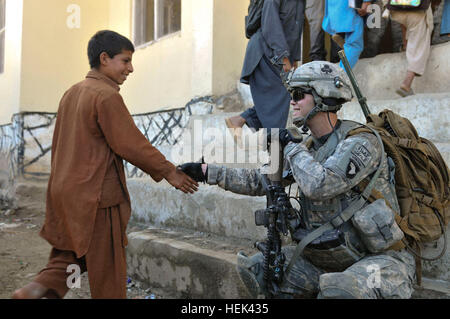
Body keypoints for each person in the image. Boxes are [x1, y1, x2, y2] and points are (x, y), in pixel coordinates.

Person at [180, 61, 416, 299]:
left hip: (377, 261)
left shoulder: (362, 142)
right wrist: (206, 171)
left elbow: (321, 185)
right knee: (261, 270)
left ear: (324, 96)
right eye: (292, 95)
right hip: (324, 260)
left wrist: (290, 146)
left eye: (299, 95)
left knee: (342, 291)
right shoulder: (309, 148)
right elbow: (259, 181)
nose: (292, 101)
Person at [12, 30, 198, 299]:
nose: (130, 68)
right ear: (104, 59)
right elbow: (131, 144)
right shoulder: (106, 96)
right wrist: (170, 171)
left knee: (70, 256)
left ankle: (34, 290)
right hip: (97, 197)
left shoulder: (72, 92)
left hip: (65, 194)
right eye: (125, 61)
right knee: (108, 266)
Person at [225, 0, 305, 144]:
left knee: (275, 100)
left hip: (276, 53)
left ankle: (240, 120)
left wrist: (294, 58)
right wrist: (283, 56)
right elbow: (271, 26)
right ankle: (274, 157)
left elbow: (295, 28)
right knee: (278, 101)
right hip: (265, 52)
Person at [387, 1, 434, 97]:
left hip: (395, 9)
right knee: (420, 44)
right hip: (416, 8)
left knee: (406, 20)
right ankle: (407, 83)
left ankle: (405, 45)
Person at [323, 0, 372, 69]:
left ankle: (341, 35)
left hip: (335, 7)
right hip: (350, 6)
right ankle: (340, 76)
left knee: (349, 42)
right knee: (354, 45)